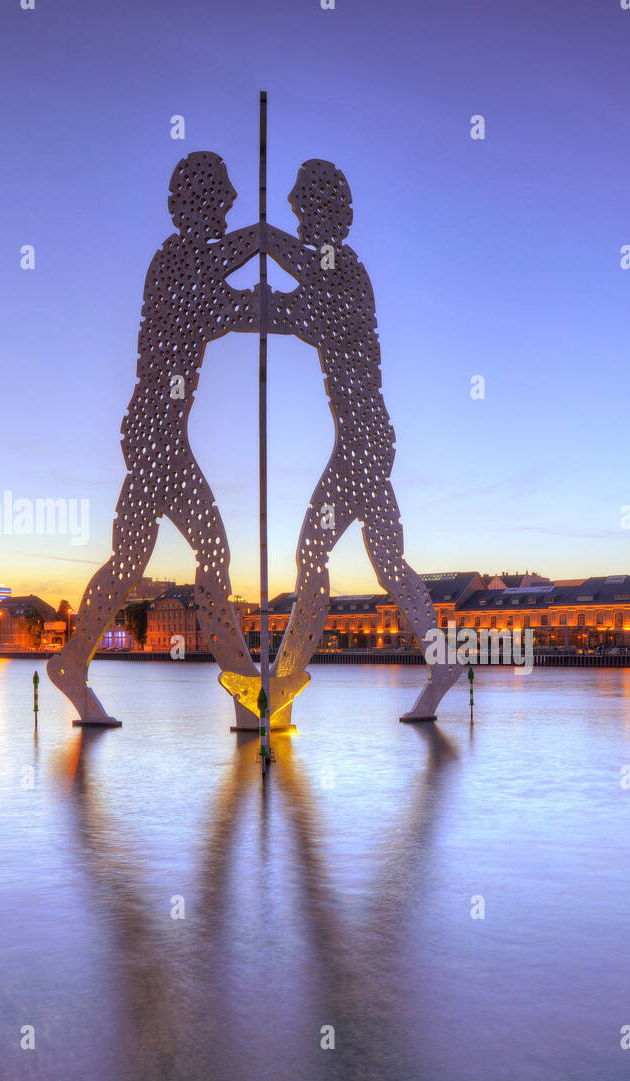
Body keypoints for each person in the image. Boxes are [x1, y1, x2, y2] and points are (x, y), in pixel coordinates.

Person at [220, 159, 463, 727]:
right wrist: (259, 292)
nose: (301, 224)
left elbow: (300, 309)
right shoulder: (336, 271)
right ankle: (441, 662)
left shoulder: (342, 270)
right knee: (389, 564)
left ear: (324, 215)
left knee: (312, 555)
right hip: (369, 438)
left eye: (304, 213)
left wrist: (260, 244)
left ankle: (282, 682)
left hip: (361, 440)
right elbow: (295, 307)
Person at [49, 152, 262, 725]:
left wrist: (264, 256)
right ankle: (247, 693)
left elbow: (226, 291)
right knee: (212, 552)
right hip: (157, 434)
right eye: (223, 193)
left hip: (154, 431)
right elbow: (226, 305)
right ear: (198, 202)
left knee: (128, 562)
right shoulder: (176, 262)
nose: (233, 201)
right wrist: (267, 247)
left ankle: (72, 661)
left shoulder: (186, 261)